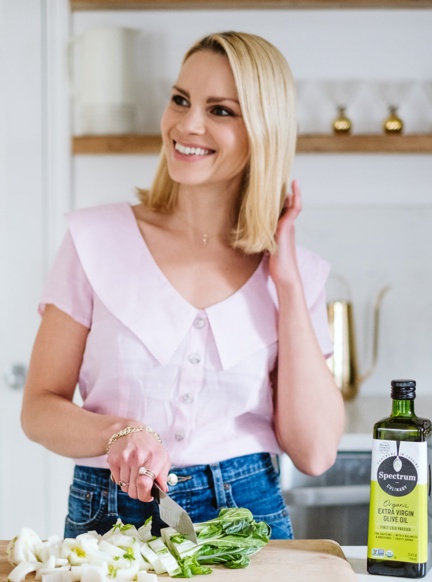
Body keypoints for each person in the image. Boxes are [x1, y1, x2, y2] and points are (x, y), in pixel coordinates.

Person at [21, 30, 345, 541]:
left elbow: (316, 451)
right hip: (108, 513)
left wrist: (285, 282)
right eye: (180, 100)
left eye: (220, 110)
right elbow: (39, 407)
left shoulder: (292, 272)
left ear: (263, 130)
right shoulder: (94, 240)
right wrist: (119, 433)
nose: (187, 124)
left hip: (249, 518)